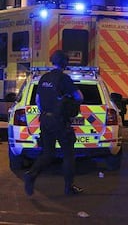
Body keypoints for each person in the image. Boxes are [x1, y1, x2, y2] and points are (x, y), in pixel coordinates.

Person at [24, 50, 84, 196]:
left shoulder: (44, 78)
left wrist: (47, 111)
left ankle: (31, 174)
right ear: (65, 63)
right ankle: (69, 187)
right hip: (59, 121)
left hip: (45, 119)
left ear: (53, 61)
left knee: (48, 153)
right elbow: (79, 97)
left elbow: (38, 101)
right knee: (68, 154)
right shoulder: (64, 79)